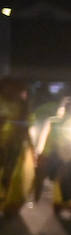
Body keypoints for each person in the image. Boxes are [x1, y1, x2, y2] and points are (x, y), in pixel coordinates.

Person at [32, 96, 71, 217]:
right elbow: (49, 141)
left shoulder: (60, 121)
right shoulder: (58, 122)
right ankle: (67, 203)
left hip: (66, 156)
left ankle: (65, 203)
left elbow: (48, 142)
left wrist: (44, 154)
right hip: (67, 156)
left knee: (64, 180)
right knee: (66, 180)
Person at [0, 78, 36, 218]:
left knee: (10, 174)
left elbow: (25, 127)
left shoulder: (22, 105)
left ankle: (8, 201)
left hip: (14, 145)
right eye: (7, 87)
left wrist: (31, 147)